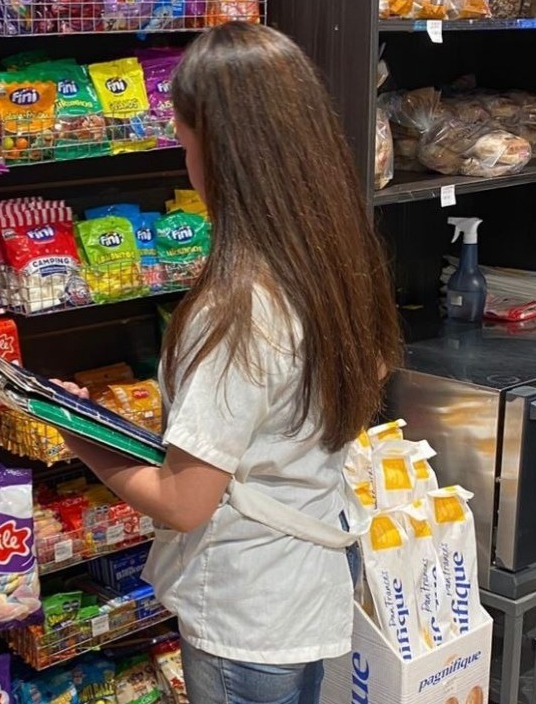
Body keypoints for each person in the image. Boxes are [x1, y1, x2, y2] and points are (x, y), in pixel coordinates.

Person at [55, 21, 402, 704]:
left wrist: (78, 437)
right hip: (308, 578)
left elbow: (185, 503)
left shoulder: (235, 307)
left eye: (184, 144)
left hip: (246, 608)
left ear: (217, 149)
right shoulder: (332, 260)